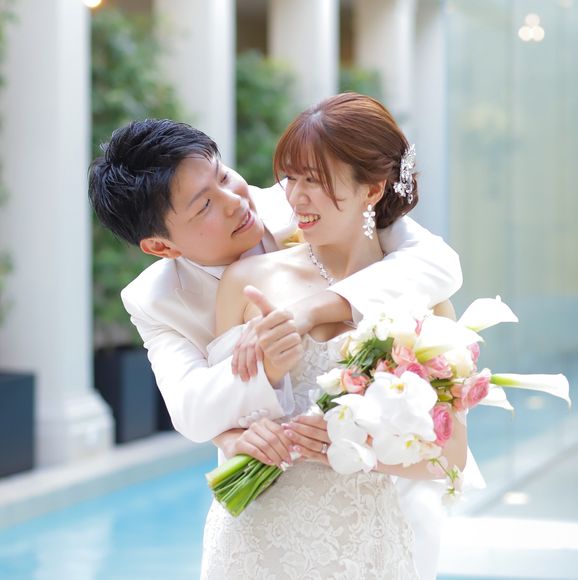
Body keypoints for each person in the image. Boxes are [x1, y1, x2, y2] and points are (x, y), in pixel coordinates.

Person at [88, 113, 464, 579]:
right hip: (269, 514)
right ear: (161, 247)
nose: (234, 202)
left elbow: (437, 263)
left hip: (386, 500)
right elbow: (191, 408)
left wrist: (313, 309)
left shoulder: (305, 200)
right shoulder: (156, 300)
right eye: (204, 206)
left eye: (223, 175)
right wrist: (246, 404)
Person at [200, 93, 468, 579]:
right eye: (290, 178)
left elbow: (448, 460)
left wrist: (358, 446)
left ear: (372, 190)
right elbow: (218, 413)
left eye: (316, 181)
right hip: (254, 541)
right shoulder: (248, 281)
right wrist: (241, 434)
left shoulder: (424, 302)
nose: (295, 198)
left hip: (364, 546)